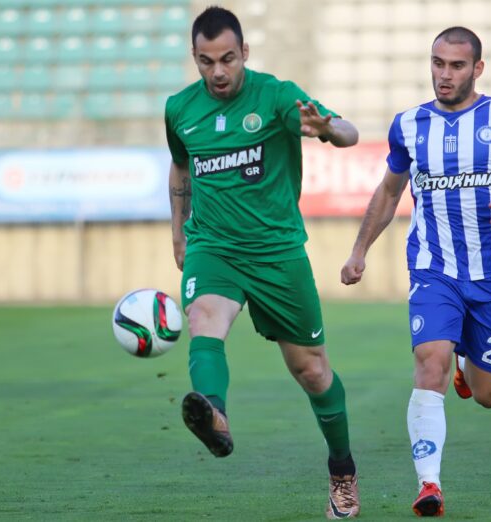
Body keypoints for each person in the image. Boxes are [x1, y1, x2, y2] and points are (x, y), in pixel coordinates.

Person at [341, 27, 491, 517]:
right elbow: (389, 192)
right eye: (438, 63)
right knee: (428, 360)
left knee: (488, 395)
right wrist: (359, 251)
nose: (445, 74)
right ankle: (429, 484)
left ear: (477, 69)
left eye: (457, 65)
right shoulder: (408, 124)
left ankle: (465, 362)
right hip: (432, 268)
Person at [165, 6, 360, 519]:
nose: (218, 71)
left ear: (245, 52)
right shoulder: (179, 109)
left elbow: (350, 133)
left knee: (312, 371)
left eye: (228, 59)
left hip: (277, 254)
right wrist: (179, 234)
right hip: (214, 247)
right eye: (207, 61)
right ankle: (214, 414)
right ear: (195, 58)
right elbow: (180, 167)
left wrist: (326, 129)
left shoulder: (276, 95)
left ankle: (342, 471)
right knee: (203, 317)